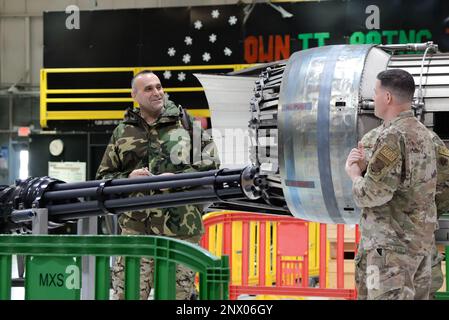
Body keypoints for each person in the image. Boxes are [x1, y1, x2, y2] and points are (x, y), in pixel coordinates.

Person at [96, 70, 220, 300]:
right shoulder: (123, 132)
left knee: (177, 298)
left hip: (181, 230)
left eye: (159, 87)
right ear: (135, 95)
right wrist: (128, 179)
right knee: (127, 296)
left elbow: (211, 164)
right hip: (136, 230)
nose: (157, 92)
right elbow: (104, 176)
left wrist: (175, 180)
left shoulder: (187, 123)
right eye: (149, 88)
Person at [345, 69, 439, 299]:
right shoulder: (429, 136)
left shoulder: (391, 136)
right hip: (422, 247)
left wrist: (355, 174)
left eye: (376, 93)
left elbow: (373, 193)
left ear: (387, 98)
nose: (372, 99)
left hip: (390, 252)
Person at [359, 125, 449, 299]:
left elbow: (369, 193)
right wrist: (424, 215)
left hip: (385, 246)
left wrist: (355, 177)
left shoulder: (373, 140)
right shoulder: (430, 138)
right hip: (420, 242)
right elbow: (445, 187)